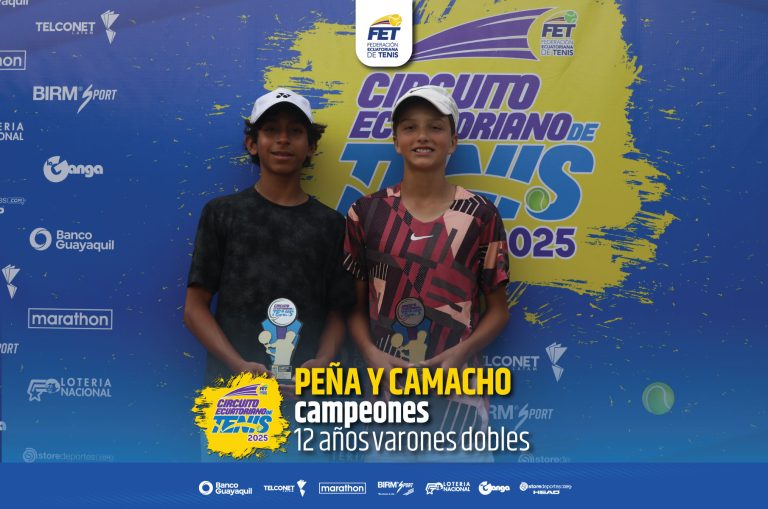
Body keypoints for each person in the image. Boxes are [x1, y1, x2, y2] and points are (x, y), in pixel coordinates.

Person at [344, 85, 510, 460]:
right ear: (396, 141)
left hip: (460, 399)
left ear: (453, 140)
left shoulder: (481, 214)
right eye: (409, 127)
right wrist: (370, 353)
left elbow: (498, 310)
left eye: (435, 127)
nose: (422, 136)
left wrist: (461, 353)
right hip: (386, 398)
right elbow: (352, 307)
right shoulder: (365, 213)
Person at [184, 87, 353, 389]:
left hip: (306, 394)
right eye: (271, 130)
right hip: (235, 393)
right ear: (252, 143)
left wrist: (323, 361)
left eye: (295, 131)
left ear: (311, 146)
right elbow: (194, 309)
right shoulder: (222, 214)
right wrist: (239, 367)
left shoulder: (332, 225)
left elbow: (339, 312)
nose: (283, 139)